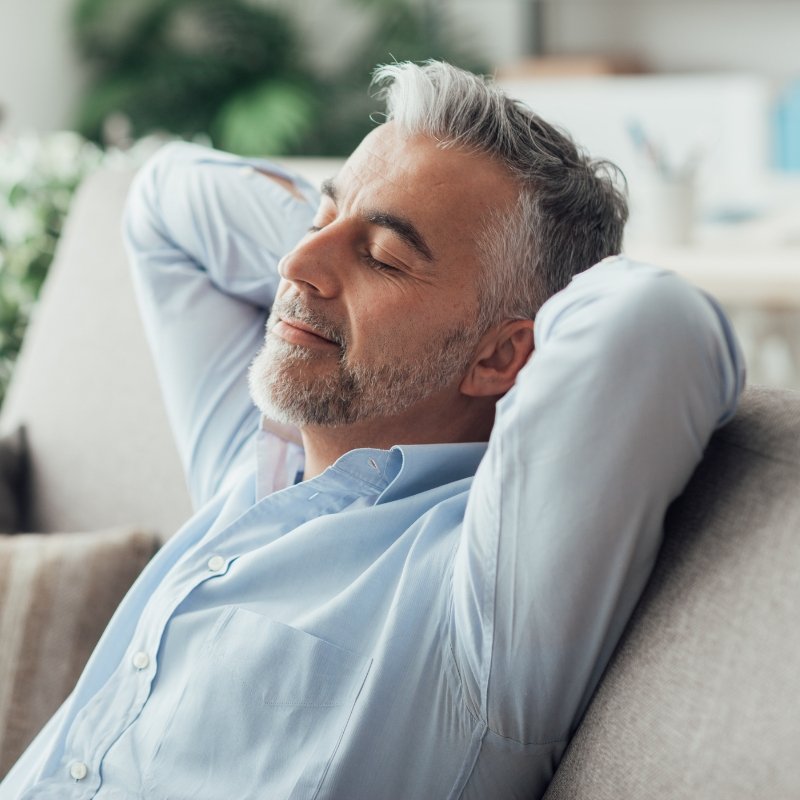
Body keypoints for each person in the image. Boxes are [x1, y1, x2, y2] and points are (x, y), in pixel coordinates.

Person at [1, 61, 744, 799]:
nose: (293, 263)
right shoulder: (257, 463)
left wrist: (533, 295)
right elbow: (165, 199)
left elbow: (652, 322)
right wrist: (356, 225)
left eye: (384, 257)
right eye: (317, 221)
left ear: (501, 355)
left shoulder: (483, 606)